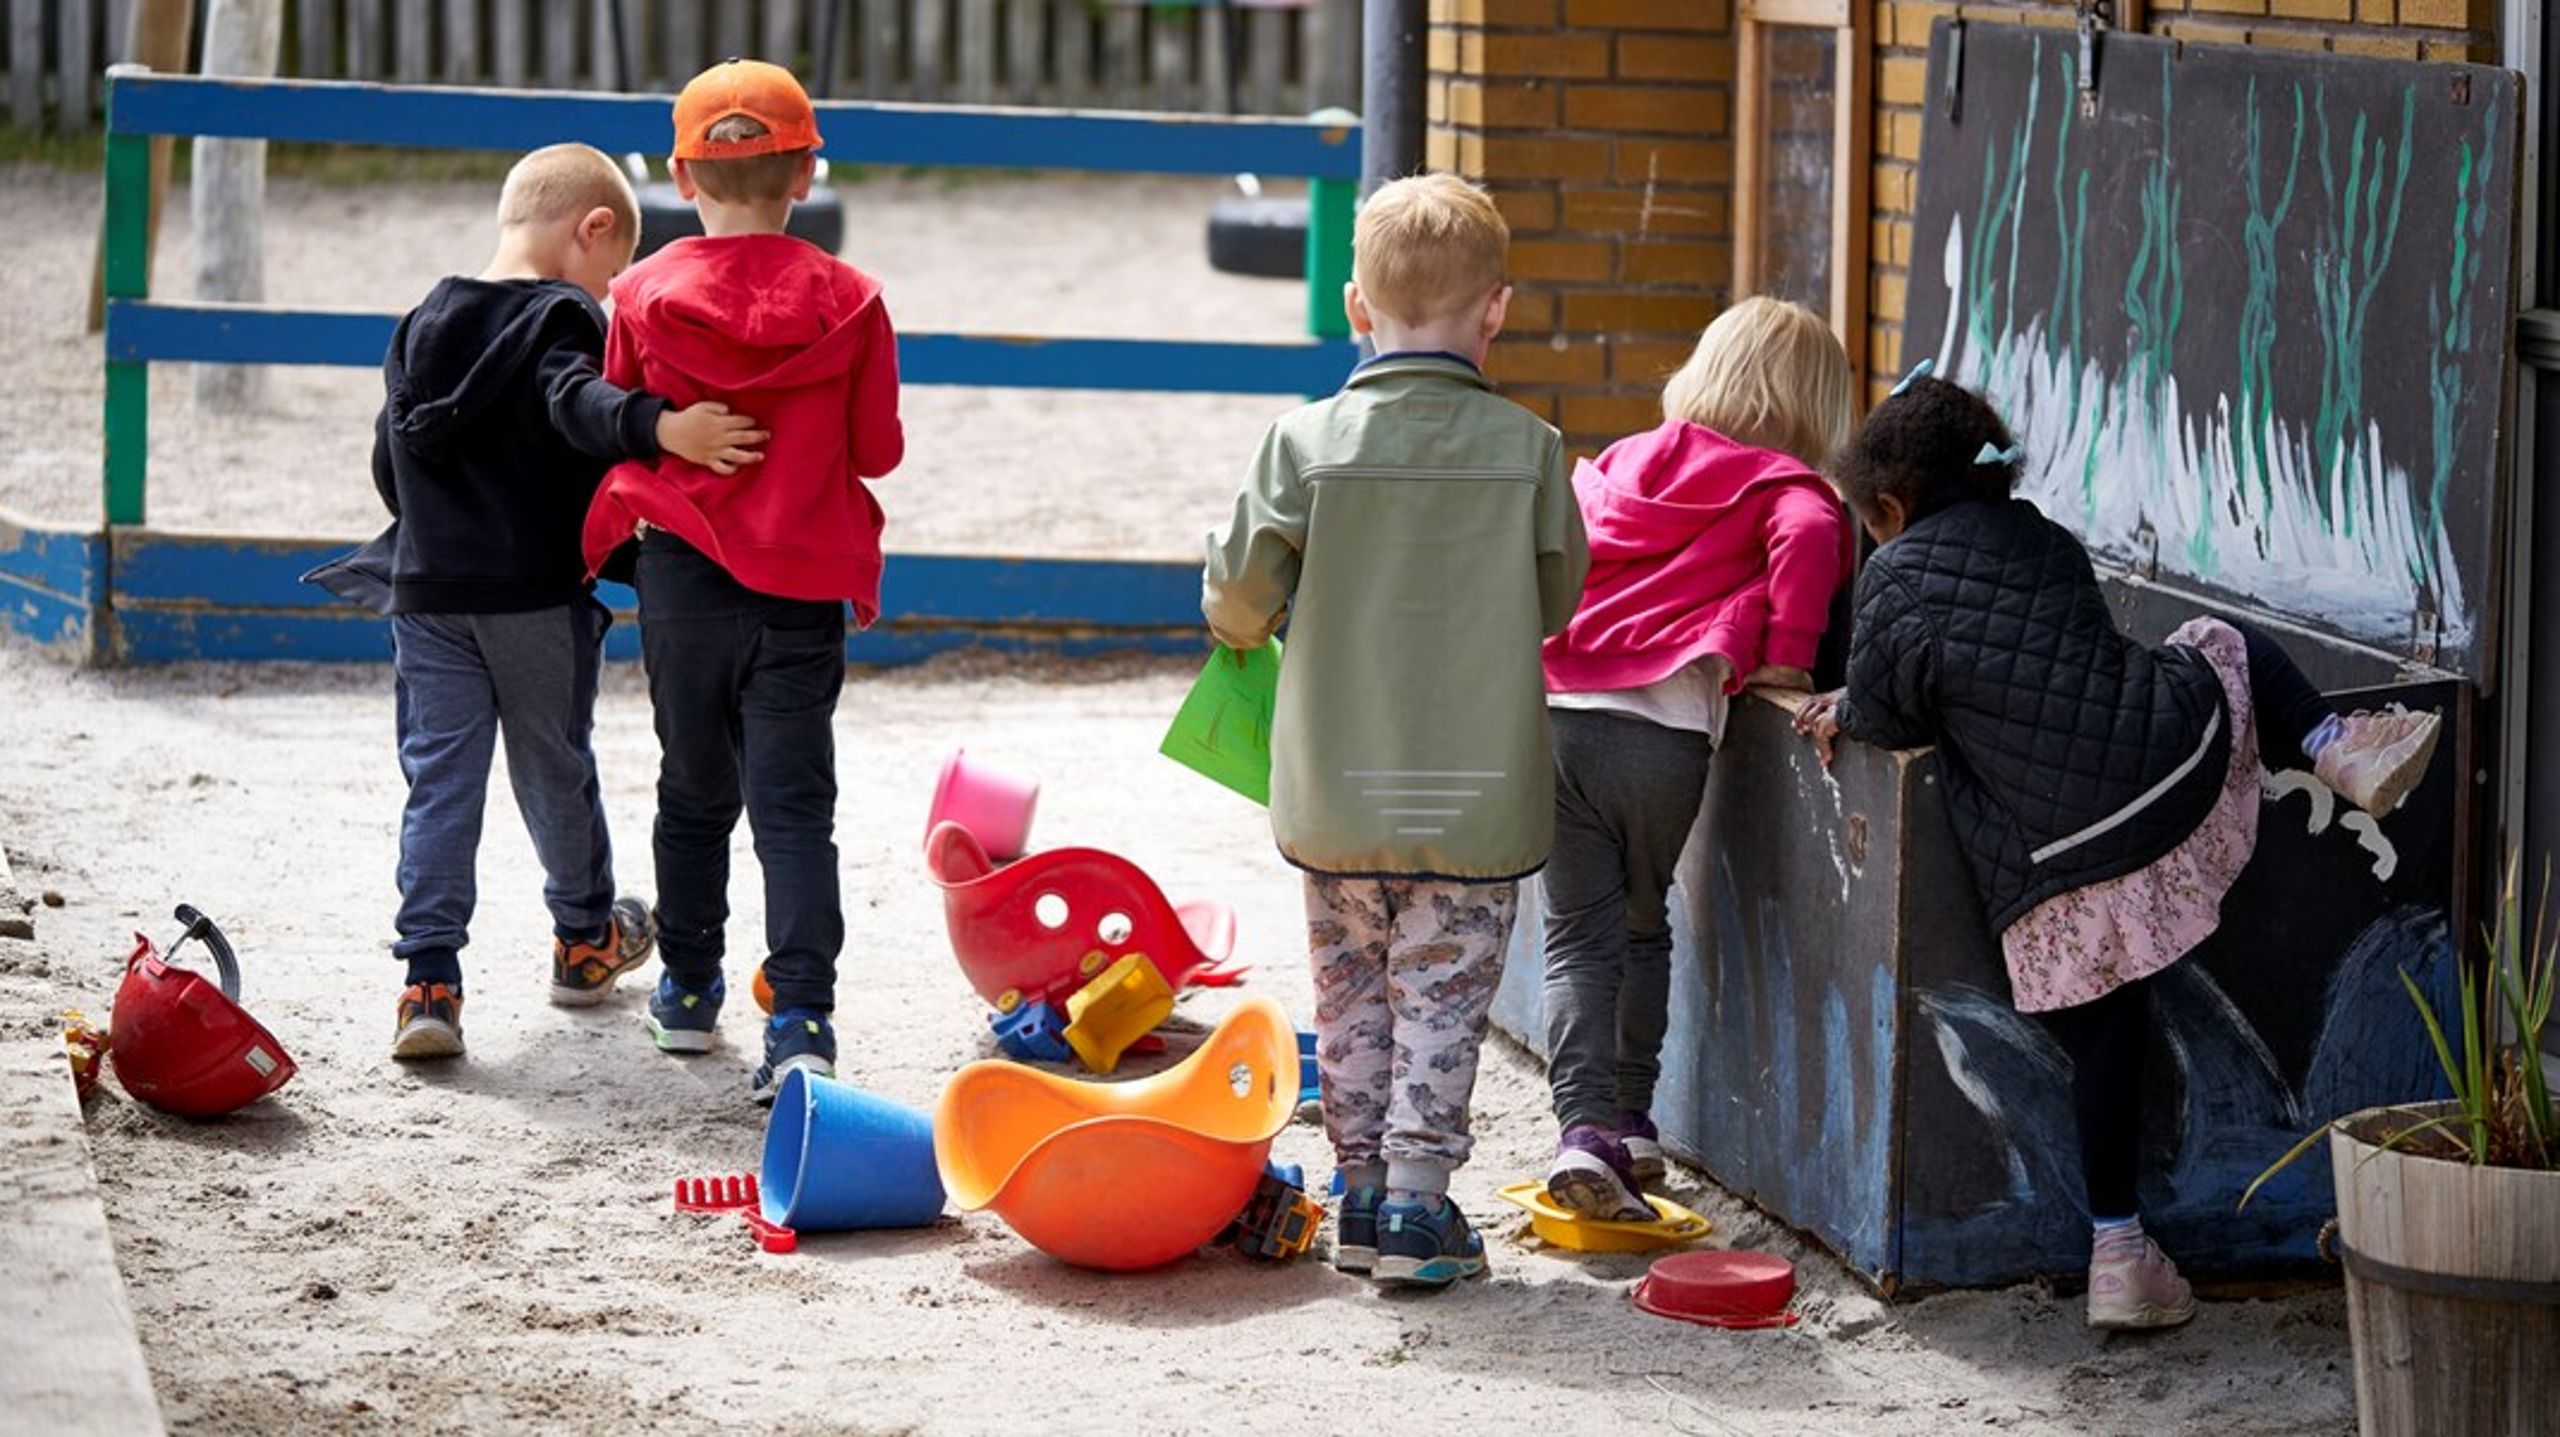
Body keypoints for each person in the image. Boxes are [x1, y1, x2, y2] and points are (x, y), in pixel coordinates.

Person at [1793, 367, 2442, 1329]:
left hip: (2050, 854)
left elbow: (1891, 714)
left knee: (2104, 1029)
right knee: (2225, 641)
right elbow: (2079, 661)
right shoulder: (2046, 538)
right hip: (2158, 771)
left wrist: (1846, 701)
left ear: (1890, 503)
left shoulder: (1892, 577)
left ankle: (2115, 1238)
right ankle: (2335, 746)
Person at [1203, 173, 1589, 1288]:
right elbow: (1557, 601)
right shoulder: (1529, 449)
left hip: (1337, 786)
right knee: (1444, 994)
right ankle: (1420, 1207)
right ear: (1496, 309)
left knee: (1353, 992)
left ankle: (1361, 1197)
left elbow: (1235, 601)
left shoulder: (1300, 443)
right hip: (1474, 792)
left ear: (1355, 307)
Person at [311, 142, 769, 1062]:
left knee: (439, 780)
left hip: (427, 596)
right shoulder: (564, 318)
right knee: (554, 766)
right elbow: (578, 404)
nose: (610, 292)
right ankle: (585, 938)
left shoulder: (421, 319)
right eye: (611, 270)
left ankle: (429, 981)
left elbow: (385, 464)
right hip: (530, 598)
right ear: (590, 229)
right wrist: (654, 427)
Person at [580, 59, 905, 1102]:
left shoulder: (636, 292)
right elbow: (878, 449)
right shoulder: (853, 300)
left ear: (681, 174)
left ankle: (684, 986)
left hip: (682, 580)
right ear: (807, 172)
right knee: (794, 807)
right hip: (802, 584)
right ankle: (803, 1016)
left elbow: (620, 419)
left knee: (692, 787)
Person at [1535, 297, 1856, 1219]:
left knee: (1575, 938)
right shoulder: (1785, 485)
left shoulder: (1626, 459)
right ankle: (1629, 1118)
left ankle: (1584, 1125)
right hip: (1665, 730)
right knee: (1644, 923)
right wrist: (1789, 654)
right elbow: (1810, 535)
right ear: (1808, 402)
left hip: (1558, 714)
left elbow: (1571, 524)